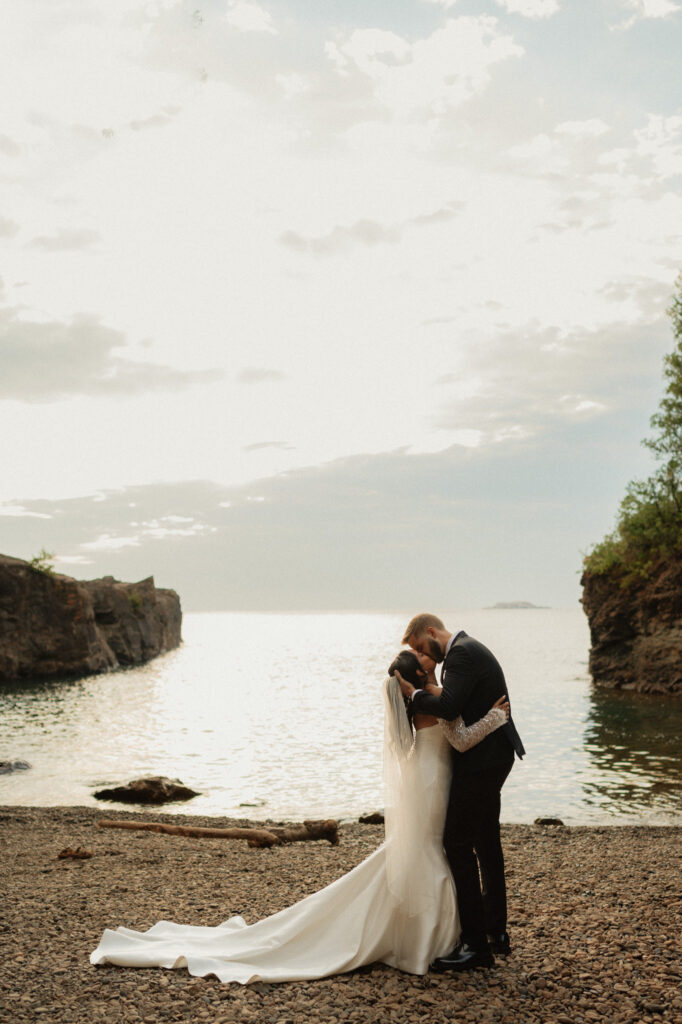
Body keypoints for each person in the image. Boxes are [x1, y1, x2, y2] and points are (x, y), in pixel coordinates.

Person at [90, 651, 507, 985]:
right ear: (415, 677)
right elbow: (460, 739)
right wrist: (495, 717)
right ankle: (429, 937)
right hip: (433, 781)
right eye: (423, 661)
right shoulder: (429, 703)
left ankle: (436, 932)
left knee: (423, 848)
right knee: (429, 848)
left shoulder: (421, 701)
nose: (429, 661)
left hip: (426, 776)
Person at [396, 613, 525, 973]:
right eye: (419, 654)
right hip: (488, 758)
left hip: (483, 763)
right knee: (484, 842)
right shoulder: (467, 650)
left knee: (456, 843)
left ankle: (476, 946)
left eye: (423, 647)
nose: (426, 656)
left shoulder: (460, 655)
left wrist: (415, 695)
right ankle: (494, 934)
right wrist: (492, 719)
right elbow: (456, 712)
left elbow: (450, 708)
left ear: (433, 633)